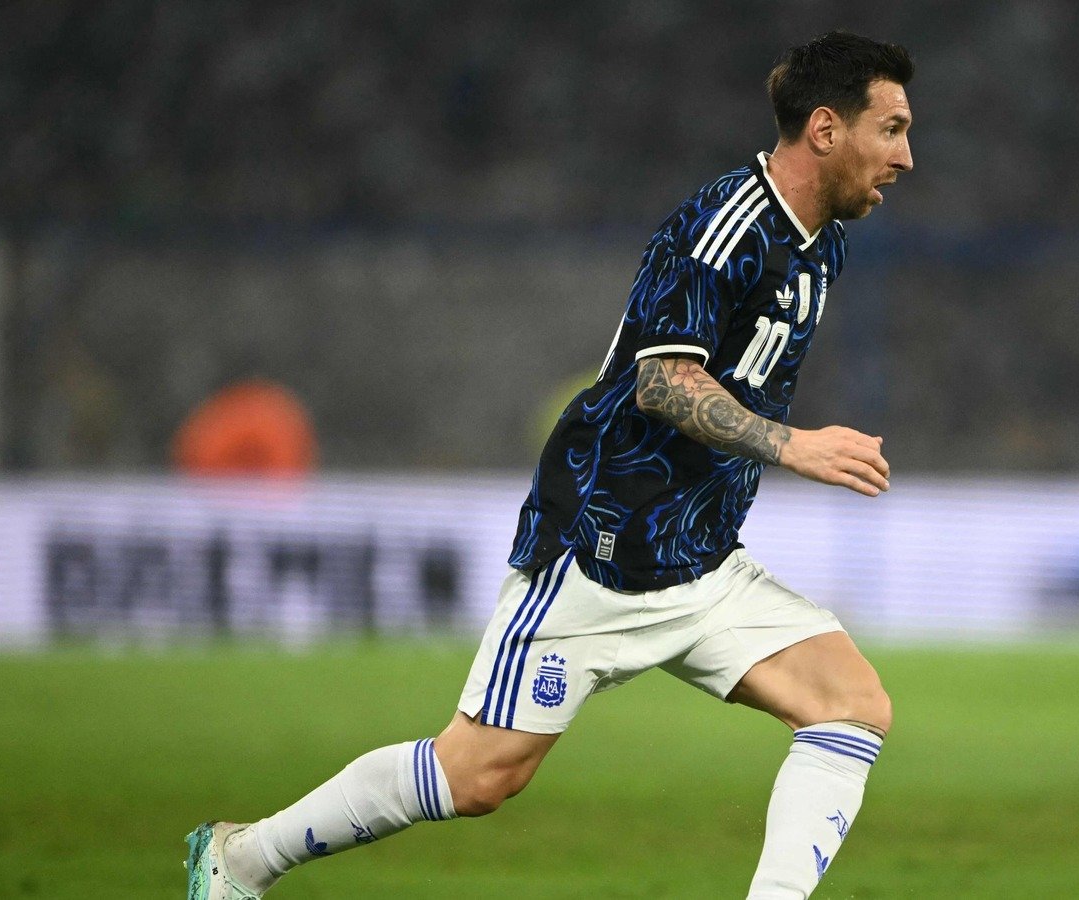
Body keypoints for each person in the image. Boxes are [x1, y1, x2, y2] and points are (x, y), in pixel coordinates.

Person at [186, 29, 914, 899]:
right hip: (600, 548)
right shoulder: (723, 227)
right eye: (892, 129)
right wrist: (791, 444)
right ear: (826, 129)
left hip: (701, 562)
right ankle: (240, 860)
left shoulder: (822, 242)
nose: (906, 156)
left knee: (852, 705)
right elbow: (661, 381)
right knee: (476, 776)